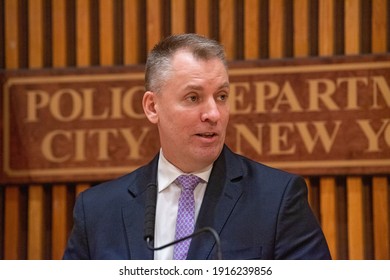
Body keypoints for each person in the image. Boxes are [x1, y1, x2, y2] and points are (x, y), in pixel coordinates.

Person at [63, 33, 331, 260]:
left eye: (221, 96)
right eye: (193, 98)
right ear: (152, 106)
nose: (213, 113)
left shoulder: (277, 199)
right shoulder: (97, 210)